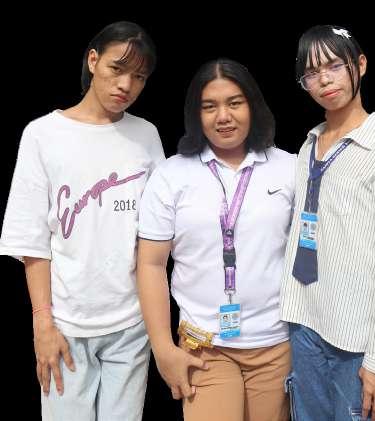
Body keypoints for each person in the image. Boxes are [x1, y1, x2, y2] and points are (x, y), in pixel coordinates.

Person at [0, 21, 164, 421]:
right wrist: (43, 323)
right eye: (117, 69)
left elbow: (160, 231)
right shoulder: (43, 134)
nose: (126, 85)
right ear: (93, 60)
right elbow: (31, 240)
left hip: (131, 325)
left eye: (139, 77)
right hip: (66, 325)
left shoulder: (146, 135)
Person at [137, 58, 297, 421]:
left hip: (275, 344)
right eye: (209, 106)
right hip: (204, 347)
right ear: (196, 114)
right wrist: (163, 349)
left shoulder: (289, 167)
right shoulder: (171, 175)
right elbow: (150, 264)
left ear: (253, 106)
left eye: (234, 103)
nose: (223, 116)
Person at [280, 25, 375, 421]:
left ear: (359, 64)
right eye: (312, 73)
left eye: (334, 66)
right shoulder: (309, 144)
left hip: (357, 340)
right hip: (304, 324)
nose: (324, 80)